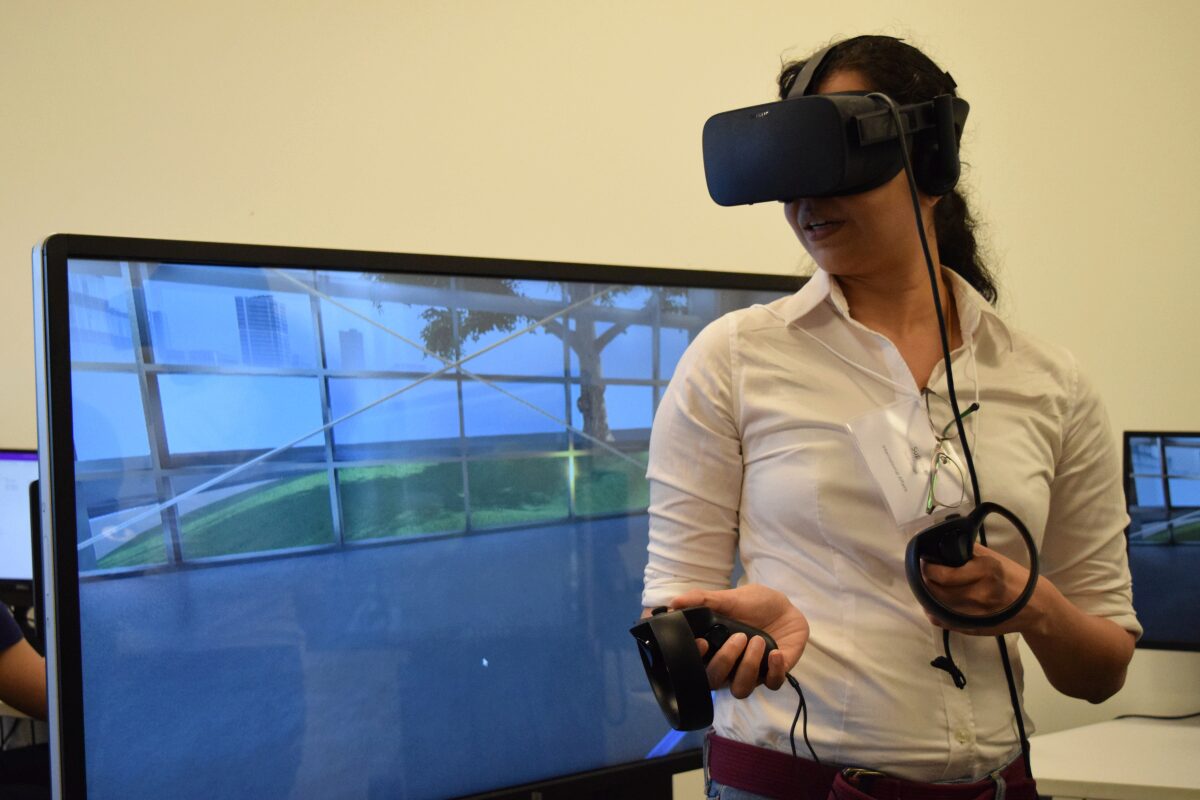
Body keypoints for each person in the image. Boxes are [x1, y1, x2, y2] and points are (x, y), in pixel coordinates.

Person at [641, 34, 1139, 800]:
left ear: (932, 161)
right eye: (789, 173)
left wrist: (1028, 600)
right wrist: (724, 638)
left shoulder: (1049, 383)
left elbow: (1101, 674)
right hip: (787, 784)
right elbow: (674, 615)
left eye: (836, 160)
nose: (808, 201)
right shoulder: (734, 359)